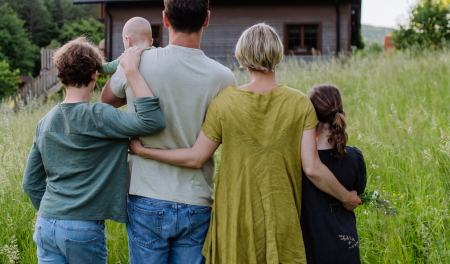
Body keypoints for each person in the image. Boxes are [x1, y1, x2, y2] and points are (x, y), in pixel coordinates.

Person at [128, 23, 362, 264]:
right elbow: (312, 168)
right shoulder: (300, 103)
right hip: (280, 218)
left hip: (234, 218)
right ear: (277, 54)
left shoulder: (225, 101)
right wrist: (345, 197)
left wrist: (144, 151)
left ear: (242, 56)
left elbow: (196, 157)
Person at [101, 0, 237, 264]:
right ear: (207, 19)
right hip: (197, 200)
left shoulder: (137, 63)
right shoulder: (224, 78)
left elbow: (106, 101)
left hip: (145, 196)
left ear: (164, 19)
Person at [22, 37, 166, 264]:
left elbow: (30, 183)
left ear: (61, 77)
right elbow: (153, 121)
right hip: (82, 228)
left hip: (46, 224)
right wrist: (132, 71)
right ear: (94, 75)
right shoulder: (100, 115)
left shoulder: (45, 123)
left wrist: (57, 211)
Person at [301, 84, 367, 263]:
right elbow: (358, 193)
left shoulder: (298, 161)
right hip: (346, 246)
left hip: (310, 249)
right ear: (342, 114)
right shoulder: (354, 157)